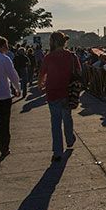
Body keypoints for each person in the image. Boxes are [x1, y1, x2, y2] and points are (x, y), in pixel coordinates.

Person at [38, 32, 82, 162]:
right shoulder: (71, 56)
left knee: (55, 123)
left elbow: (42, 73)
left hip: (52, 92)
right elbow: (79, 72)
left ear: (52, 42)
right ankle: (69, 139)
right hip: (67, 92)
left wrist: (40, 85)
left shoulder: (48, 57)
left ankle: (57, 152)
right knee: (67, 117)